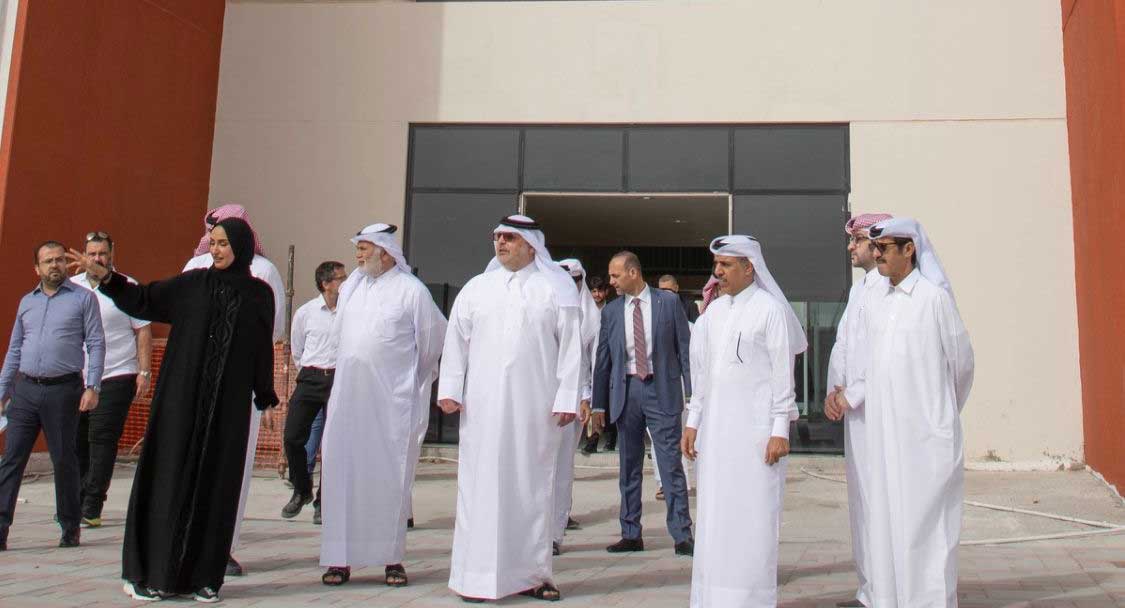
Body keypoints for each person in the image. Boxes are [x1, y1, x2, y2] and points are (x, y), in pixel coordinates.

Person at [69, 218, 279, 602]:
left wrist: (264, 397)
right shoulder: (192, 284)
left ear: (241, 246)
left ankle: (205, 578)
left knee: (216, 487)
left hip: (227, 410)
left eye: (223, 243)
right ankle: (151, 574)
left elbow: (261, 347)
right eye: (212, 243)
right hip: (180, 405)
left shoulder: (258, 294)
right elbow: (143, 299)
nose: (215, 250)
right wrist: (107, 278)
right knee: (167, 480)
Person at [827, 217, 974, 608]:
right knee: (889, 524)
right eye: (874, 247)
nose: (877, 255)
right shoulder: (878, 303)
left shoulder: (933, 299)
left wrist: (938, 415)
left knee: (929, 529)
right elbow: (872, 366)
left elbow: (961, 366)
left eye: (884, 248)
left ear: (909, 249)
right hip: (886, 437)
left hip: (926, 437)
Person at [437, 214, 581, 602]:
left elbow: (571, 349)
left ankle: (534, 576)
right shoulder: (477, 288)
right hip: (482, 409)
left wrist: (568, 397)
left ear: (531, 245)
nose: (500, 243)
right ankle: (475, 578)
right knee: (479, 488)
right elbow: (456, 341)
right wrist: (450, 388)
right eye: (497, 237)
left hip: (535, 409)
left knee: (531, 489)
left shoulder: (556, 289)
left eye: (509, 238)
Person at [681, 235, 806, 607]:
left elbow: (783, 376)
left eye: (726, 265)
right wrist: (693, 422)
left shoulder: (770, 310)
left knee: (752, 520)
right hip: (716, 435)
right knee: (715, 517)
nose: (718, 272)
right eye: (716, 265)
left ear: (749, 268)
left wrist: (780, 429)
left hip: (755, 437)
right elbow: (702, 376)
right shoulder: (713, 314)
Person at [319, 223, 446, 587]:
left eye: (364, 249)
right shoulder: (351, 289)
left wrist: (407, 381)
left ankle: (392, 559)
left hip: (391, 404)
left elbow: (432, 343)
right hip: (348, 401)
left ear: (386, 253)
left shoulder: (412, 291)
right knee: (342, 473)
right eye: (358, 248)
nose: (358, 255)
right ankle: (339, 559)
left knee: (389, 478)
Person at [182, 204, 285, 577]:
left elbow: (272, 329)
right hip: (195, 379)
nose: (216, 244)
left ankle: (221, 547)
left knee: (232, 464)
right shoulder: (195, 268)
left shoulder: (263, 272)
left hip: (240, 383)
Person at [0, 241, 105, 552]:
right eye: (48, 261)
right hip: (26, 390)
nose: (55, 265)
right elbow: (14, 349)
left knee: (63, 459)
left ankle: (70, 526)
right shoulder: (26, 302)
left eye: (59, 259)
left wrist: (93, 386)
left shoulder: (83, 299)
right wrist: (3, 390)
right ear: (37, 268)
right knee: (11, 459)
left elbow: (96, 343)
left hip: (63, 390)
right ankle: (1, 527)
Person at [588, 251, 694, 556]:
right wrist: (598, 405)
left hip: (662, 391)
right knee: (629, 466)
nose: (611, 281)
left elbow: (685, 351)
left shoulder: (668, 303)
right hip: (627, 392)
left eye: (615, 275)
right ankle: (630, 533)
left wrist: (693, 395)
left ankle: (682, 535)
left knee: (670, 464)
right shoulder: (611, 312)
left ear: (633, 273)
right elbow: (603, 360)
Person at [823, 212, 892, 608]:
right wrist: (835, 392)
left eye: (858, 240)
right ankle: (869, 592)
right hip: (856, 414)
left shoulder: (889, 289)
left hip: (880, 412)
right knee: (862, 502)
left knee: (882, 502)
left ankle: (887, 592)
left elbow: (883, 356)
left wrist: (855, 393)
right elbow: (844, 346)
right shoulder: (859, 290)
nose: (851, 247)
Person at [71, 232, 153, 528]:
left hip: (117, 374)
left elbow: (143, 330)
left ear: (112, 254)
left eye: (102, 253)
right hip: (77, 377)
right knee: (77, 441)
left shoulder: (125, 286)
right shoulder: (72, 287)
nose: (97, 258)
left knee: (102, 439)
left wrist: (144, 371)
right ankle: (77, 498)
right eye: (92, 253)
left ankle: (92, 505)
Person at [280, 261, 346, 522]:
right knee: (292, 436)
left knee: (333, 445)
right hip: (309, 377)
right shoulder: (306, 313)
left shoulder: (350, 311)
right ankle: (301, 488)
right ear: (326, 284)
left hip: (338, 379)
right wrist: (310, 371)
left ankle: (323, 502)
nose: (346, 282)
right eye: (341, 278)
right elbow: (297, 348)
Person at [553, 258, 600, 555]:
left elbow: (591, 363)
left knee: (562, 464)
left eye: (575, 279)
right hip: (542, 396)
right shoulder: (550, 305)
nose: (570, 284)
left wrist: (587, 398)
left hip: (574, 399)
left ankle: (555, 530)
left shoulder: (591, 318)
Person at [581, 276, 617, 454]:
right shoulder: (585, 312)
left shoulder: (612, 311)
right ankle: (593, 440)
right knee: (594, 402)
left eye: (599, 291)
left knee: (607, 403)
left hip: (609, 365)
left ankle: (608, 437)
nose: (596, 294)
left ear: (606, 292)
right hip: (590, 365)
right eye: (593, 291)